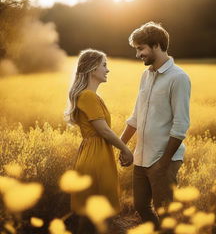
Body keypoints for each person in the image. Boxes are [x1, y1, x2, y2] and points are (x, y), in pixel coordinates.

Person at [120, 22, 191, 230]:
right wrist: (122, 145)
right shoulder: (146, 75)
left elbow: (180, 125)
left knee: (166, 213)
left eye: (141, 48)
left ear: (157, 45)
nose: (137, 54)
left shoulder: (179, 78)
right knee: (140, 205)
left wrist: (163, 163)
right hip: (141, 157)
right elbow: (135, 117)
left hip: (164, 160)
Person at [65, 49, 133, 234]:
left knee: (93, 214)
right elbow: (103, 130)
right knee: (97, 213)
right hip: (96, 156)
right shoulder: (88, 96)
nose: (107, 70)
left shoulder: (90, 96)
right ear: (92, 68)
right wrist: (125, 149)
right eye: (104, 65)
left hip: (95, 153)